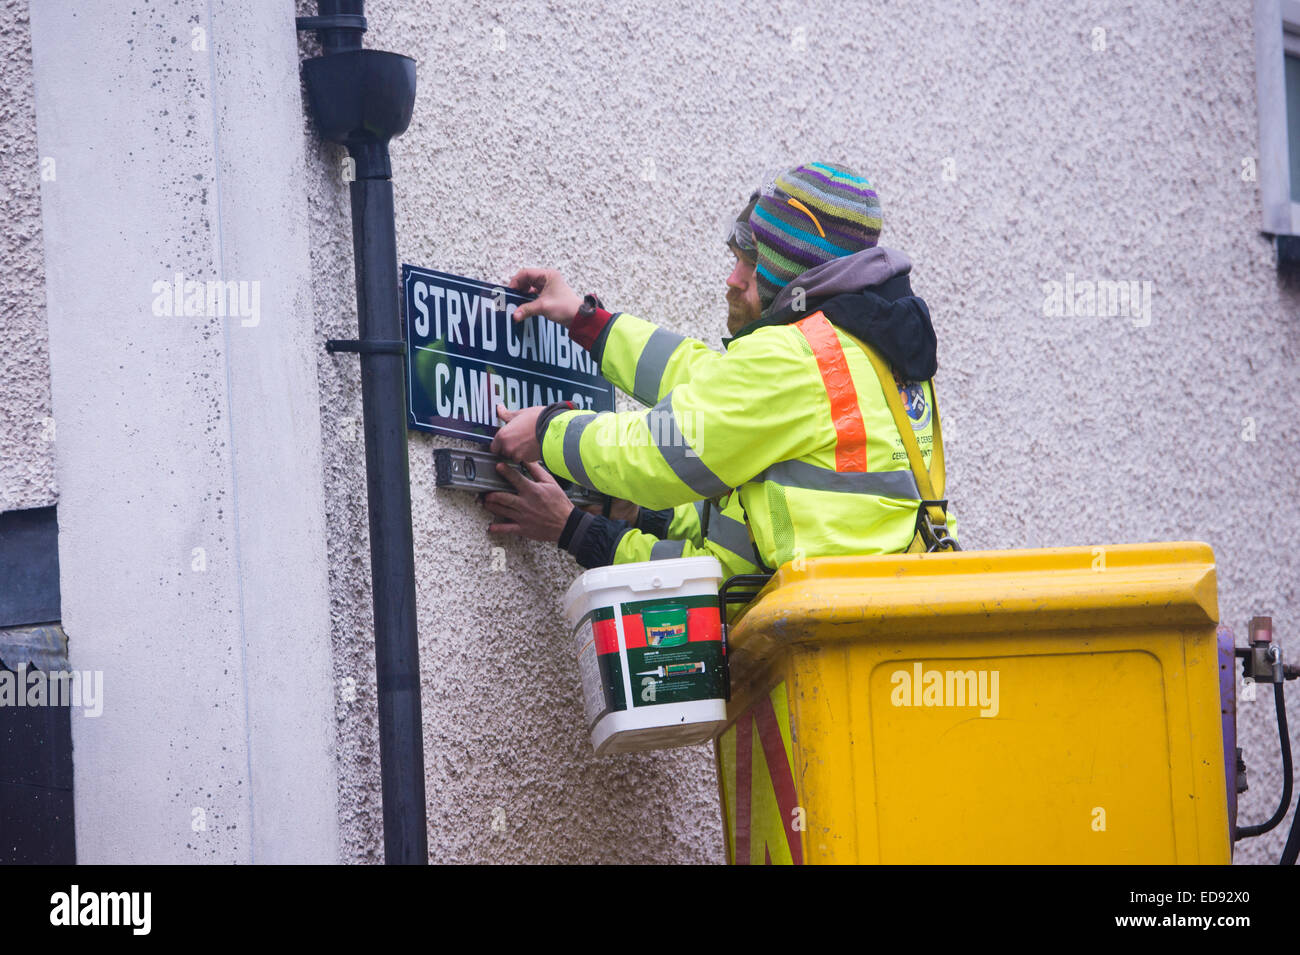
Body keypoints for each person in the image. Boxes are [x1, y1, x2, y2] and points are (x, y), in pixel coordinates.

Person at [483, 161, 958, 584]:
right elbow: (709, 382)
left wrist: (548, 432)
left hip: (827, 651)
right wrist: (590, 323)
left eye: (750, 263)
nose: (733, 279)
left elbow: (658, 452)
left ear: (790, 270)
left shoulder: (795, 360)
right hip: (869, 631)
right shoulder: (867, 353)